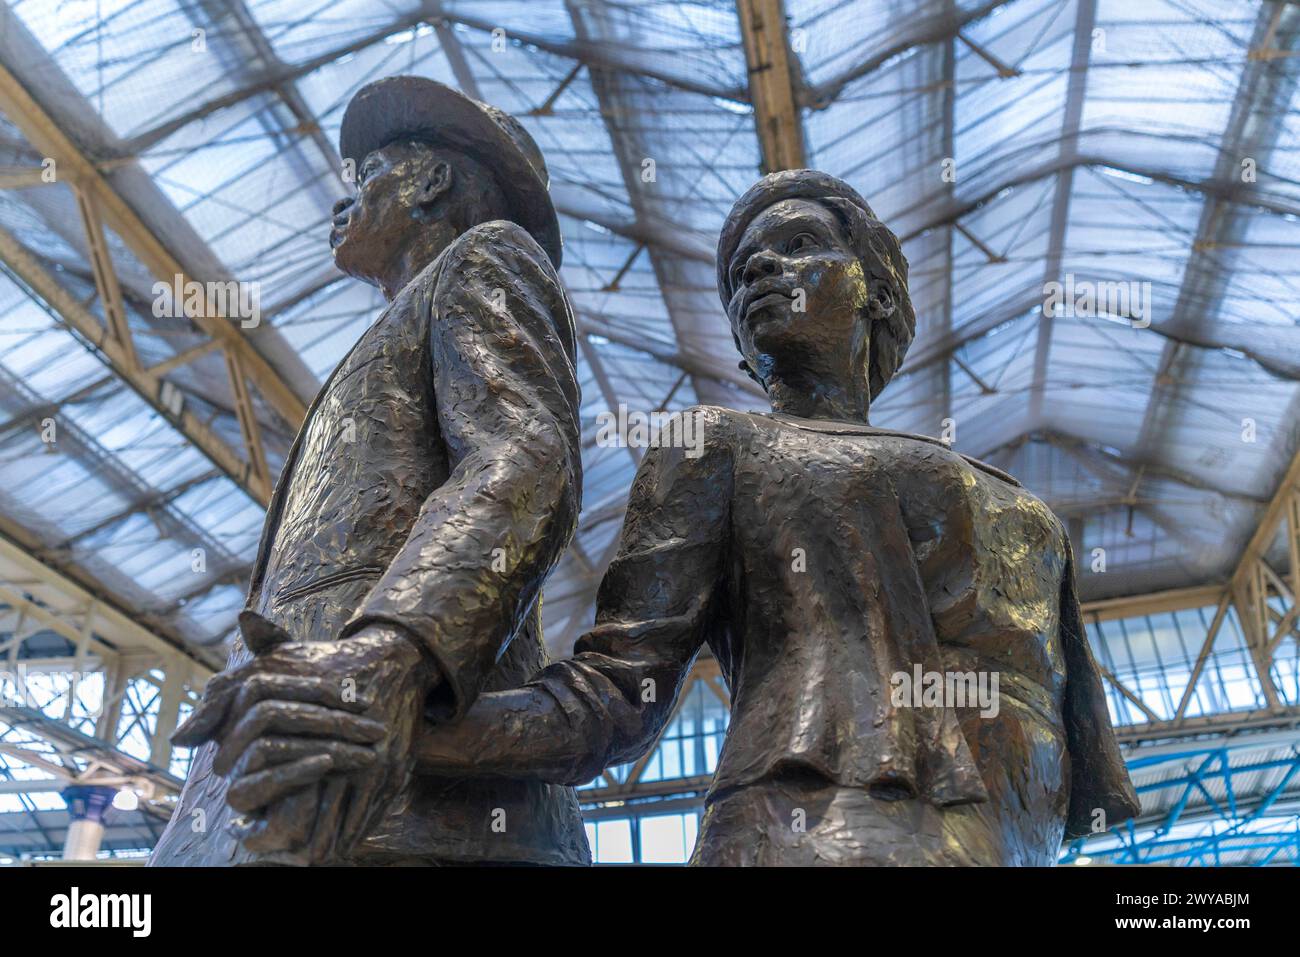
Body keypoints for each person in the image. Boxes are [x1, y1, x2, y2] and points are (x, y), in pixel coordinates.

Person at [414, 169, 1140, 866]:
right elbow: (616, 691)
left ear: (877, 293)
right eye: (741, 272)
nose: (759, 270)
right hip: (803, 834)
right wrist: (407, 721)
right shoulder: (717, 446)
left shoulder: (1026, 514)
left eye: (796, 247)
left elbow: (1067, 770)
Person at [150, 77, 589, 866]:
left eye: (366, 173)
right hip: (292, 772)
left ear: (431, 181)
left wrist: (391, 653)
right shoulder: (396, 328)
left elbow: (524, 459)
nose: (340, 200)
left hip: (402, 791)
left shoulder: (485, 260)